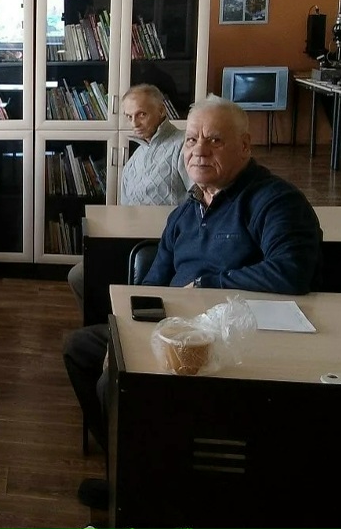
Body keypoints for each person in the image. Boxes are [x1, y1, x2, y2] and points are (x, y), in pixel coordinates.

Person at [64, 96, 322, 510]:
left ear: (245, 146)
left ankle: (147, 485)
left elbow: (290, 272)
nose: (199, 150)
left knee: (110, 385)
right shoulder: (186, 210)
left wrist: (207, 284)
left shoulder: (275, 201)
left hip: (235, 339)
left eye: (214, 140)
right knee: (81, 348)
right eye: (191, 139)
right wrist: (123, 332)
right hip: (175, 329)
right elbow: (153, 281)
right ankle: (123, 467)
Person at [67, 84, 190, 310]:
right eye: (129, 116)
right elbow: (124, 211)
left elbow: (200, 203)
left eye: (141, 114)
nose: (134, 123)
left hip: (166, 247)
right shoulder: (136, 157)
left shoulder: (184, 146)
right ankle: (111, 322)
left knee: (86, 277)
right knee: (79, 276)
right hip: (132, 245)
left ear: (161, 110)